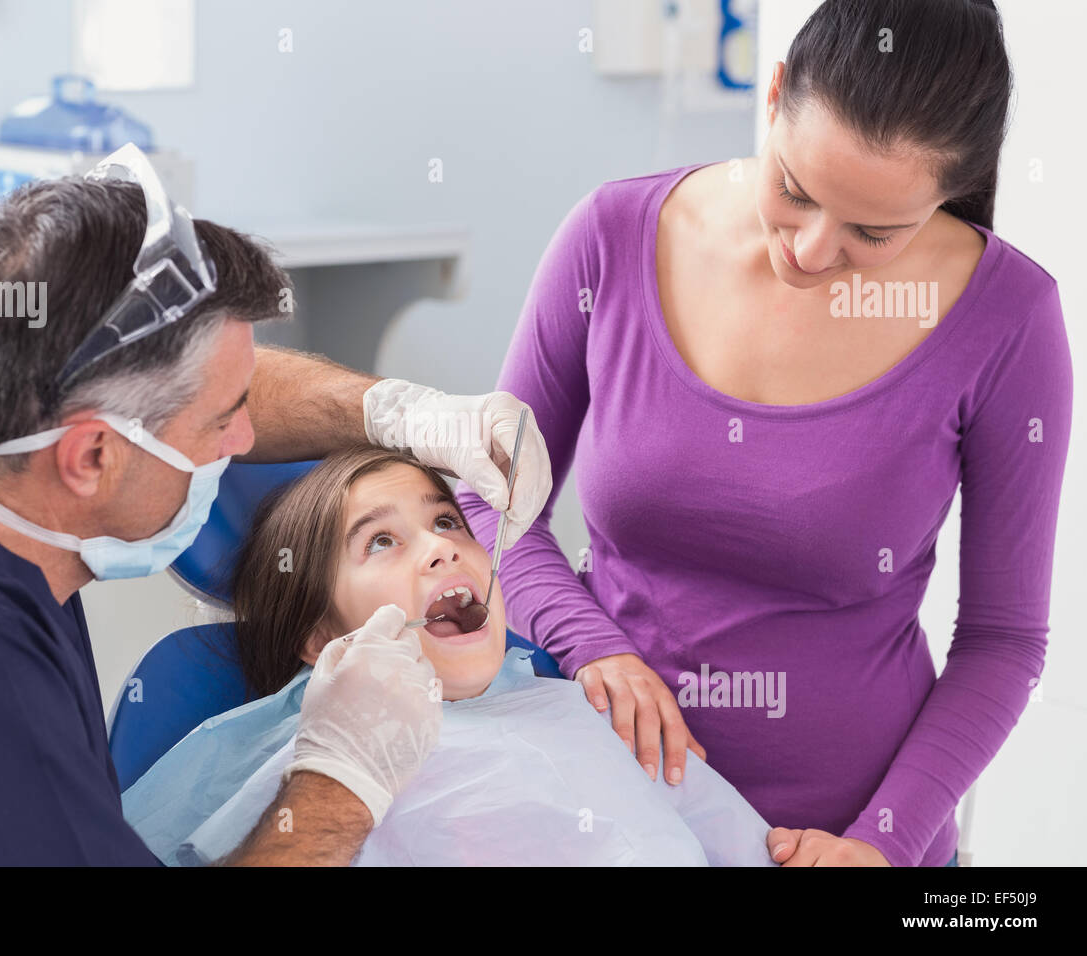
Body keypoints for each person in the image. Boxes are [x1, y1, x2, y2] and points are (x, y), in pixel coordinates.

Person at [0, 146, 551, 865]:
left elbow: (197, 374)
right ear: (91, 457)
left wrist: (397, 413)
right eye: (225, 422)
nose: (249, 438)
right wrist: (342, 778)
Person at [454, 0, 1071, 867]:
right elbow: (490, 496)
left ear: (945, 195)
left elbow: (1004, 641)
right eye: (796, 190)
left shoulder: (1009, 320)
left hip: (847, 834)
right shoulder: (611, 236)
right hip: (605, 806)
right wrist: (587, 642)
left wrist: (880, 846)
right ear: (774, 94)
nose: (814, 252)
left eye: (874, 232)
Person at [121, 445, 776, 866]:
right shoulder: (320, 769)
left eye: (446, 522)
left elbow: (744, 846)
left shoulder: (595, 712)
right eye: (380, 542)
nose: (442, 549)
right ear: (323, 640)